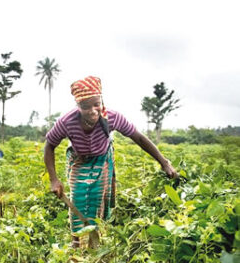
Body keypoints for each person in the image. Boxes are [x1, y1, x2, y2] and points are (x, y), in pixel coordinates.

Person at [44, 76, 178, 248]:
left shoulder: (113, 118)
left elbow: (138, 137)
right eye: (85, 106)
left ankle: (94, 242)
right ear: (78, 106)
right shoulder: (67, 122)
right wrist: (53, 179)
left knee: (97, 200)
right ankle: (76, 244)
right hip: (79, 160)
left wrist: (164, 162)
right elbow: (49, 146)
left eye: (96, 104)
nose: (93, 110)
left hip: (102, 159)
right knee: (77, 198)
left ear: (101, 101)